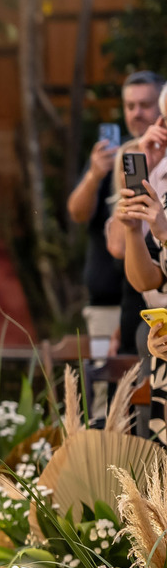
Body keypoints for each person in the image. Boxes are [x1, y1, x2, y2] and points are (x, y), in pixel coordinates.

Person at [80, 71, 165, 355]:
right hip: (142, 311)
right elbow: (118, 246)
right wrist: (147, 167)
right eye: (130, 106)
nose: (138, 114)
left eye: (146, 105)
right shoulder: (132, 155)